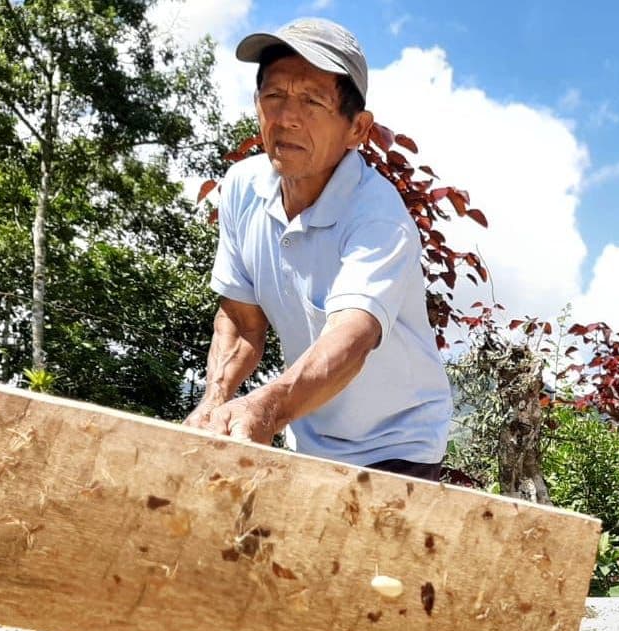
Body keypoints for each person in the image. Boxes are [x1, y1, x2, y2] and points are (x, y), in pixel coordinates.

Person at [185, 17, 451, 481]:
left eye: (311, 101)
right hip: (307, 434)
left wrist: (264, 408)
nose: (286, 117)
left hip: (398, 444)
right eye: (274, 96)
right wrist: (215, 399)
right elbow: (241, 320)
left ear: (357, 130)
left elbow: (352, 338)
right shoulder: (243, 188)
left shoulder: (377, 217)